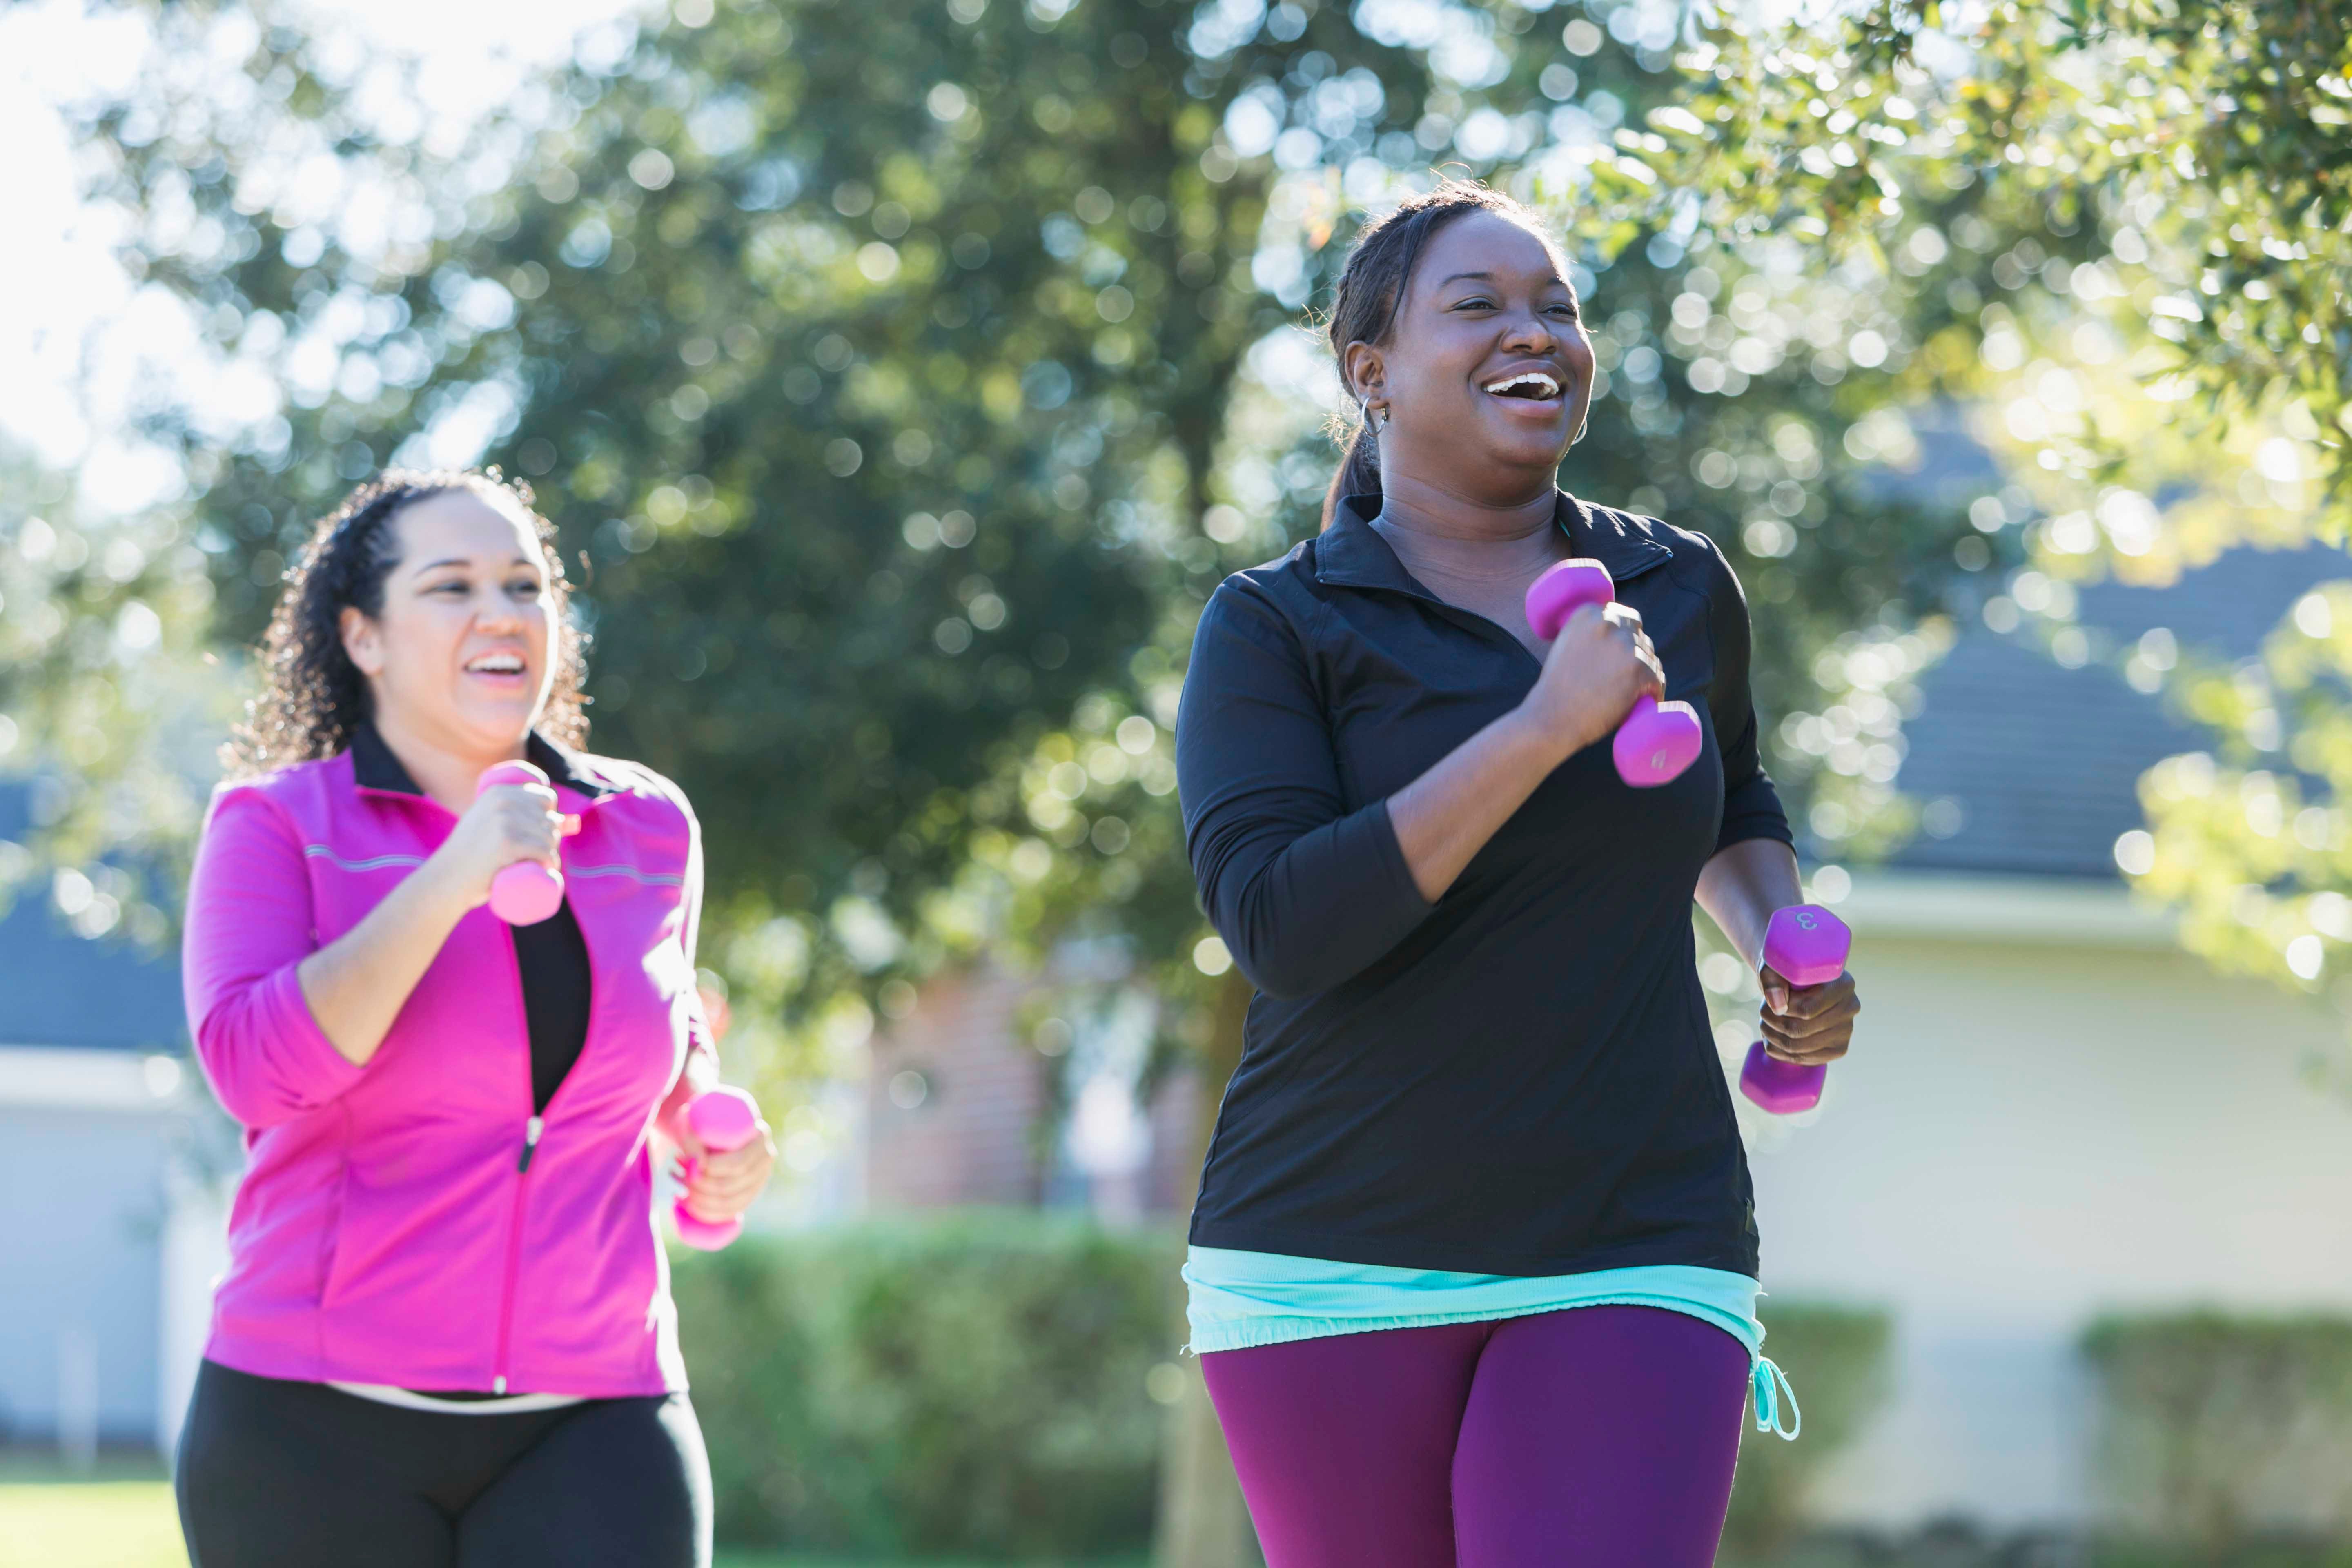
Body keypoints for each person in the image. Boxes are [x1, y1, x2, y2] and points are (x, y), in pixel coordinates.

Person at [1174, 180, 1862, 1567]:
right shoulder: (1276, 625)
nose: (1531, 330)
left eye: (1556, 304)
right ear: (1370, 373)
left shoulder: (1674, 584)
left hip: (1640, 1229)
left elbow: (1728, 790)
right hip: (1333, 1251)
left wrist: (1779, 935)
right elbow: (1283, 927)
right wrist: (1543, 728)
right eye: (1476, 305)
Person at [174, 469, 775, 1568]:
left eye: (525, 586)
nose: (502, 614)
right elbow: (257, 1075)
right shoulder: (275, 826)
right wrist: (451, 874)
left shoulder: (647, 828)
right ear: (363, 637)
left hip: (599, 1414)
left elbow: (665, 1022)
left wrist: (699, 1116)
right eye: (451, 587)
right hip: (310, 1427)